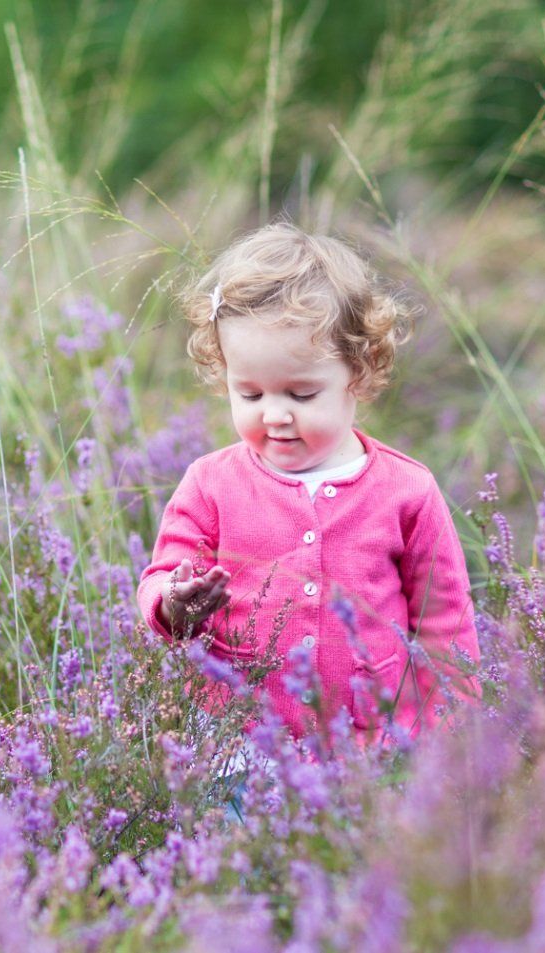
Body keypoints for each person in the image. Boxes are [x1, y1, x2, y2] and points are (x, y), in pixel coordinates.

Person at [136, 223, 481, 761]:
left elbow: (445, 622)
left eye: (301, 392)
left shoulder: (407, 491)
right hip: (239, 748)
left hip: (370, 747)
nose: (274, 414)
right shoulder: (210, 483)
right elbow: (163, 576)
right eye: (249, 393)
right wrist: (174, 605)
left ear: (359, 375)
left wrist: (439, 737)